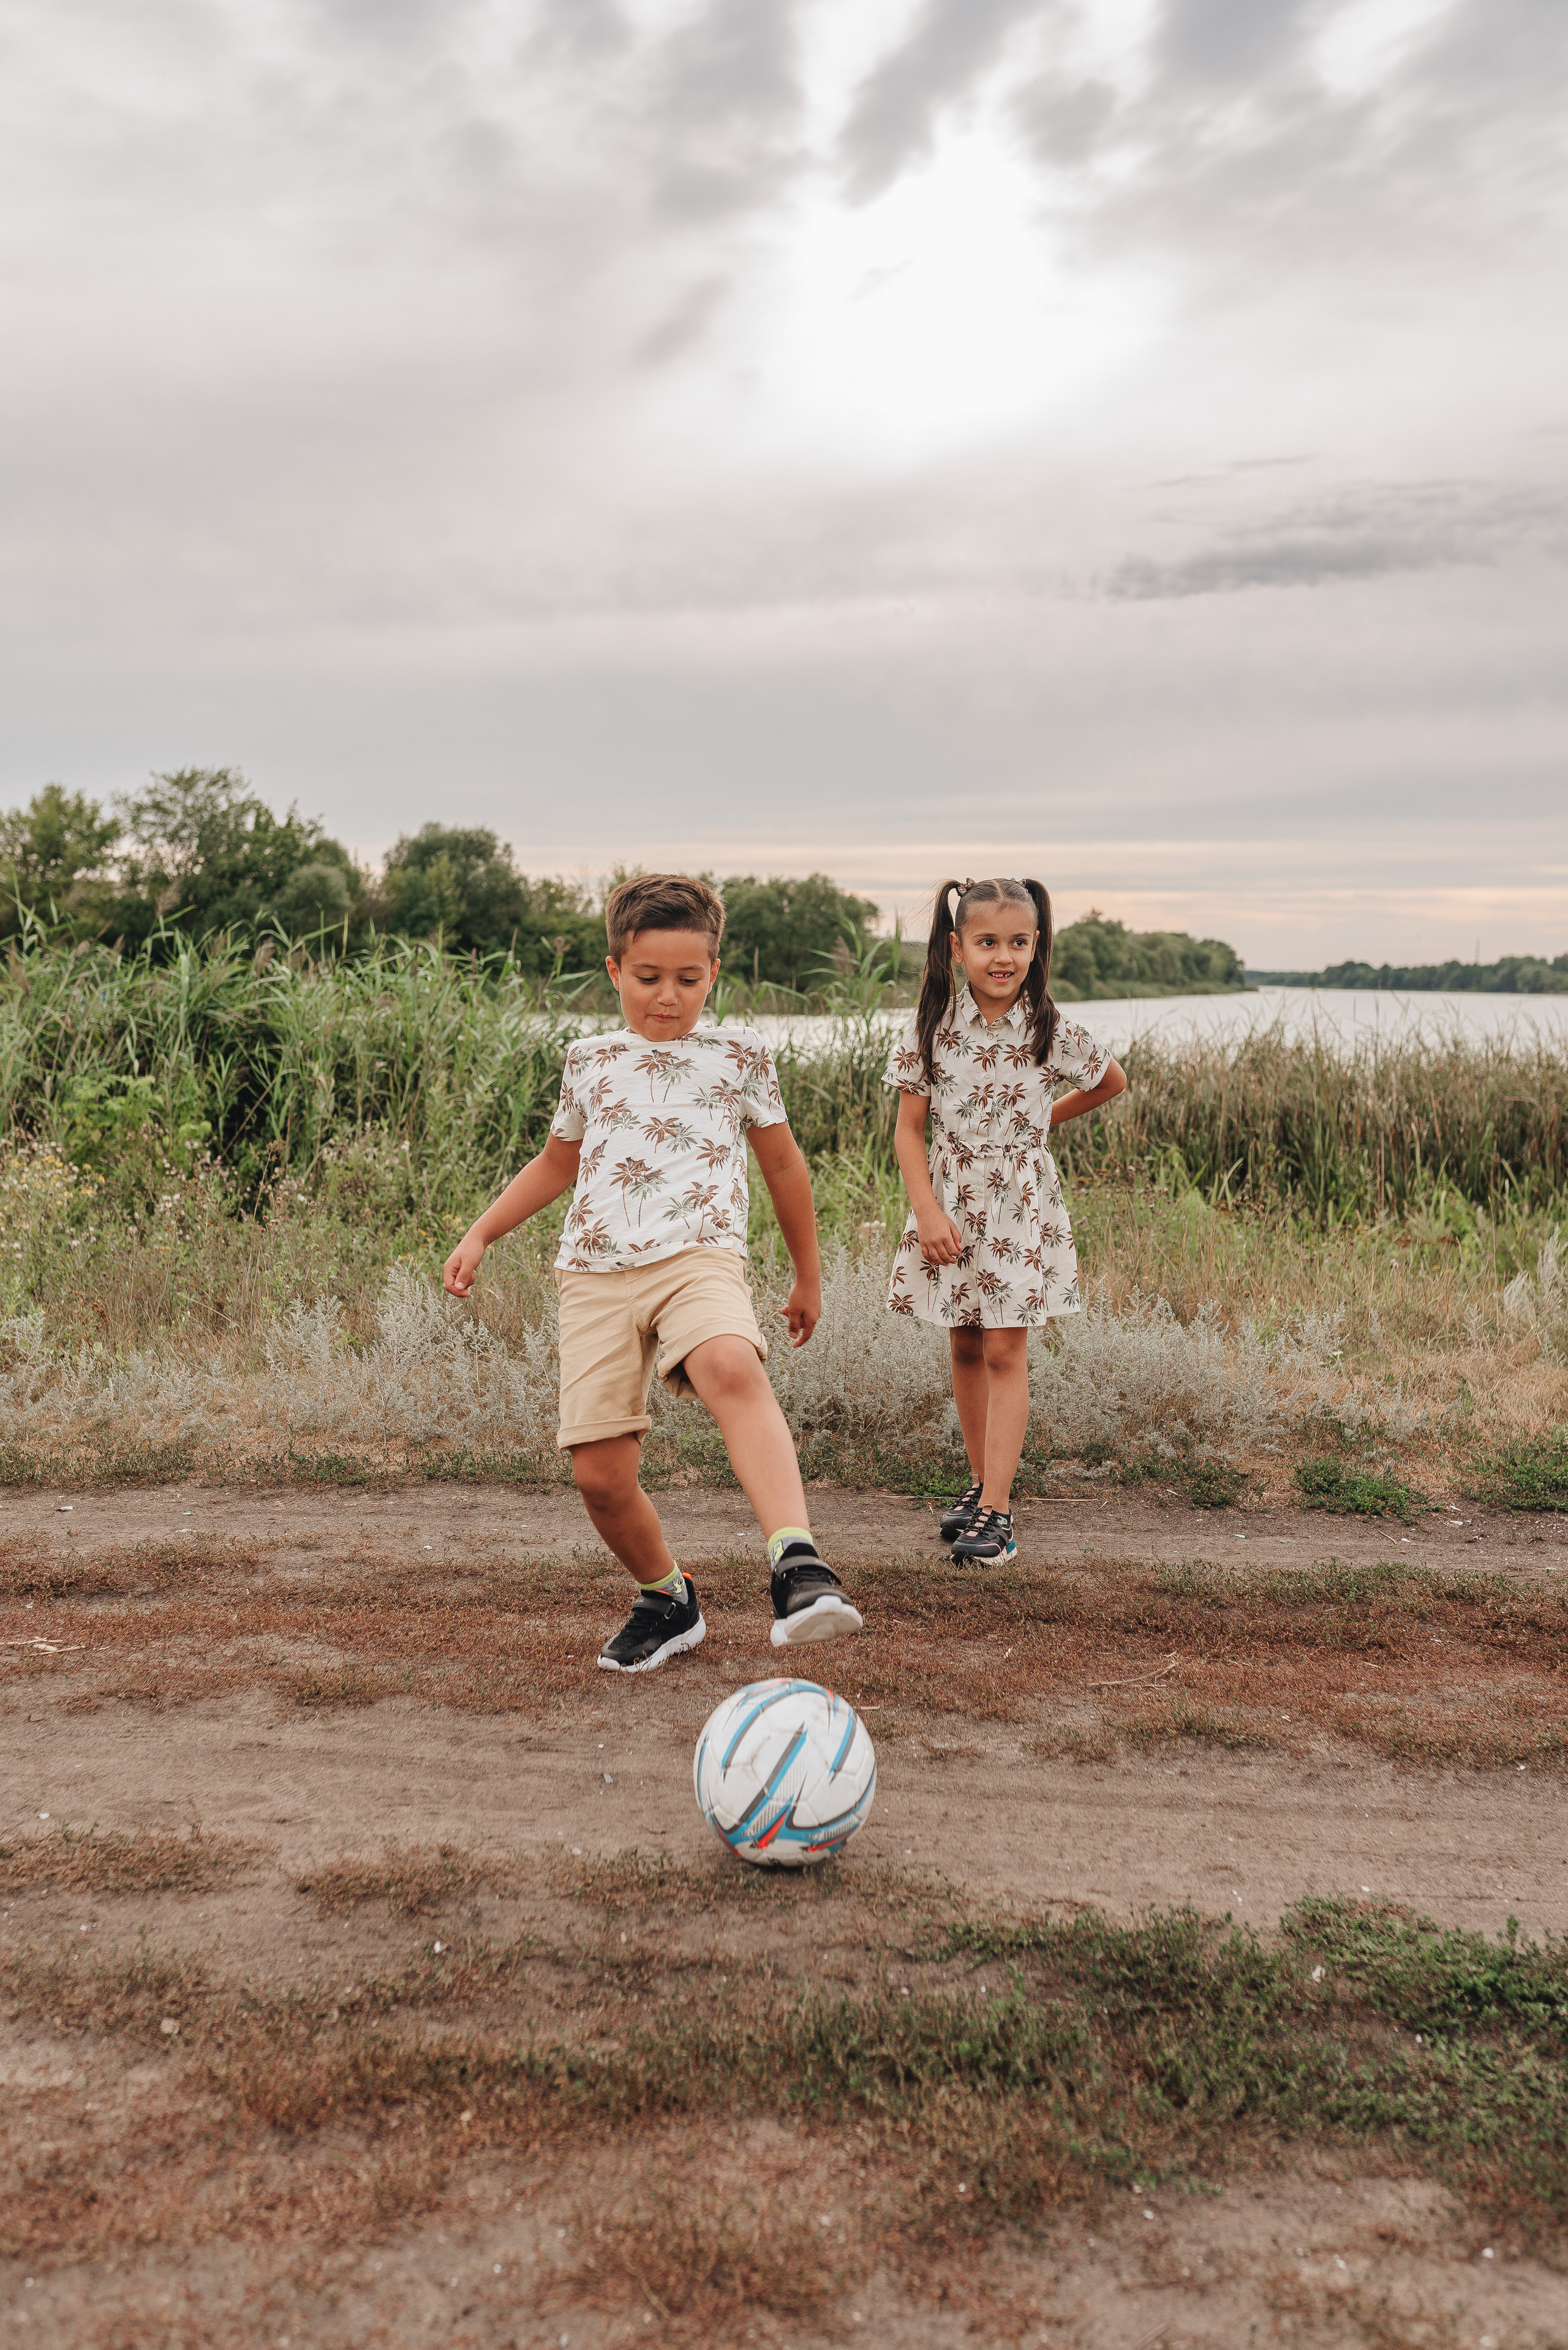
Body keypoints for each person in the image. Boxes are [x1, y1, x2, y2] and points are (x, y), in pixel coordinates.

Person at [443, 872, 864, 1672]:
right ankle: (668, 1597)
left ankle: (799, 1565)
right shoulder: (589, 1059)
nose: (667, 997)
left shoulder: (739, 1056)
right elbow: (555, 1162)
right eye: (648, 978)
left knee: (730, 1364)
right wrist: (481, 1233)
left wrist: (807, 1276)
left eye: (688, 978)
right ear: (614, 972)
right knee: (600, 1478)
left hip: (699, 1255)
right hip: (596, 1273)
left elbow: (784, 1167)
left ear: (714, 973)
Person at [884, 876, 1127, 1564]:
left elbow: (1110, 1081)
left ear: (1036, 945)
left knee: (1003, 1349)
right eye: (987, 942)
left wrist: (1037, 1125)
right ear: (957, 948)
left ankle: (998, 1509)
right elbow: (907, 1132)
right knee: (963, 1341)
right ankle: (978, 1483)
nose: (1003, 956)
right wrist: (925, 1211)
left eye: (1018, 942)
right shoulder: (931, 1027)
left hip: (1019, 1205)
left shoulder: (1048, 1026)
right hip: (950, 1202)